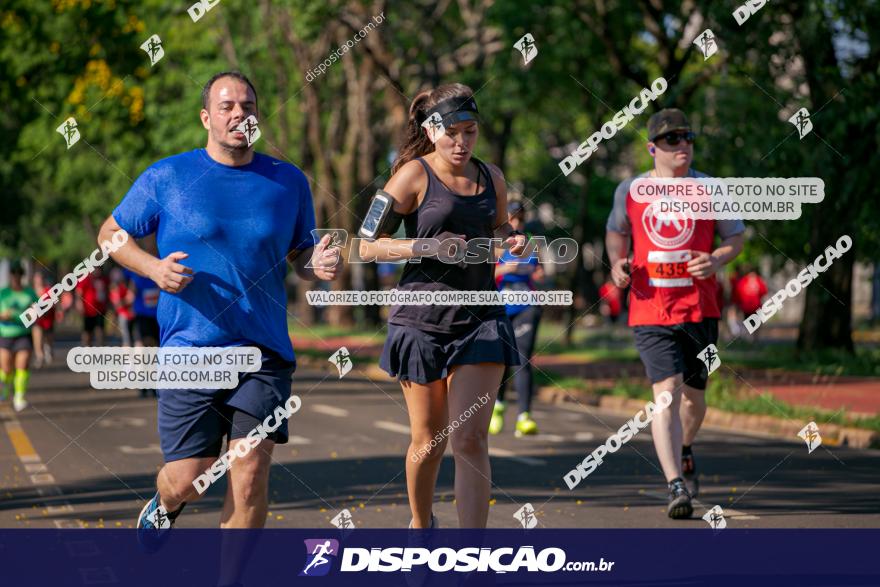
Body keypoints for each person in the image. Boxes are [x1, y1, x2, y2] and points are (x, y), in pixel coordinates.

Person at [97, 72, 340, 553]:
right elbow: (110, 234)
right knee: (191, 480)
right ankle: (165, 503)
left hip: (263, 349)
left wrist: (319, 263)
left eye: (248, 105)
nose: (239, 114)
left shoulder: (287, 181)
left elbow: (302, 257)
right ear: (206, 117)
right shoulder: (168, 176)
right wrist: (152, 268)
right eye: (227, 106)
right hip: (191, 347)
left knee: (249, 474)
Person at [360, 83, 526, 529]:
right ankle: (421, 524)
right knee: (429, 441)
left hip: (479, 319)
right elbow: (367, 246)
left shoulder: (492, 177)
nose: (462, 141)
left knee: (470, 437)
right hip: (421, 323)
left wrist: (511, 237)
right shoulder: (412, 176)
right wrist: (424, 247)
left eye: (470, 131)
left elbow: (500, 226)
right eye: (452, 132)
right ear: (432, 131)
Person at [605, 109, 744, 519]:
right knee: (666, 393)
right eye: (672, 140)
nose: (682, 145)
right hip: (650, 307)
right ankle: (674, 484)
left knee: (694, 402)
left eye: (687, 137)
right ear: (652, 148)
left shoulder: (709, 187)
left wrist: (717, 259)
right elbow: (616, 232)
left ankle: (685, 447)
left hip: (700, 308)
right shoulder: (630, 190)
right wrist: (617, 263)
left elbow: (734, 236)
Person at [490, 200, 544, 437]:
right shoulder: (496, 241)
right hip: (500, 307)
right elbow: (484, 274)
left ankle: (524, 416)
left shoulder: (530, 241)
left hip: (526, 305)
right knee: (501, 360)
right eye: (513, 218)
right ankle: (498, 406)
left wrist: (538, 273)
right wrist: (504, 270)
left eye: (520, 219)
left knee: (523, 360)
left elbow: (539, 270)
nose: (517, 223)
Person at [0, 263, 38, 411]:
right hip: (5, 334)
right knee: (6, 368)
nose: (16, 277)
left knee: (22, 365)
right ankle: (4, 391)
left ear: (22, 276)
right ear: (10, 276)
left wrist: (27, 314)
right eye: (13, 274)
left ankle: (19, 397)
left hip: (23, 334)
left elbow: (37, 310)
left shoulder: (29, 293)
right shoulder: (3, 293)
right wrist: (4, 316)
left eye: (19, 274)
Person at [730, 264, 767, 338]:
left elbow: (763, 291)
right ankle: (751, 338)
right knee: (751, 324)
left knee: (754, 323)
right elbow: (739, 293)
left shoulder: (748, 280)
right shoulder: (751, 280)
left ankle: (753, 339)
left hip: (753, 307)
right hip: (749, 307)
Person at [76, 265, 109, 346]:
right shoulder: (86, 278)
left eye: (99, 269)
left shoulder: (104, 279)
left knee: (100, 329)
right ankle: (87, 347)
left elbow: (108, 291)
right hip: (88, 310)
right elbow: (79, 292)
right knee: (88, 330)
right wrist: (79, 304)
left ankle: (100, 347)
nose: (97, 271)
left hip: (100, 309)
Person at [31, 271, 56, 368]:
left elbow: (53, 303)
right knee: (37, 336)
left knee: (48, 339)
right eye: (36, 278)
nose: (38, 280)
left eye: (39, 278)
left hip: (48, 319)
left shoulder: (48, 290)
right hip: (37, 320)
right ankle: (39, 356)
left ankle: (48, 349)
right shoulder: (31, 291)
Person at [109, 267, 134, 347]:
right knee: (126, 338)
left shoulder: (124, 287)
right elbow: (118, 303)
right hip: (123, 315)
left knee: (130, 338)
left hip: (131, 314)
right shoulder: (116, 289)